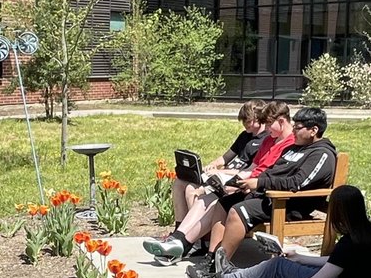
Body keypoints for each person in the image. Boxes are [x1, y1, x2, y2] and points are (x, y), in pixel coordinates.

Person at [186, 184, 371, 278]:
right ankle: (233, 273)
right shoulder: (369, 234)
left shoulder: (349, 244)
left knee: (278, 267)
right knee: (289, 264)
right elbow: (337, 263)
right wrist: (301, 258)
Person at [143, 101, 294, 264]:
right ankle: (178, 240)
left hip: (257, 189)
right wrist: (223, 174)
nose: (267, 128)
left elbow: (270, 175)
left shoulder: (286, 144)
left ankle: (183, 246)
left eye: (269, 124)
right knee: (203, 198)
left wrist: (231, 176)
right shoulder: (269, 141)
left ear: (281, 121)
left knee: (214, 201)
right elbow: (253, 167)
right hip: (243, 181)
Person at [202, 106, 337, 264]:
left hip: (289, 205)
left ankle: (218, 268)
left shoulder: (322, 154)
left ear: (314, 130)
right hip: (269, 196)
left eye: (298, 128)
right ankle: (211, 258)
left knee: (238, 211)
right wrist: (250, 183)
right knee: (224, 203)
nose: (293, 131)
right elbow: (274, 170)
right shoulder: (294, 149)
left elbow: (297, 183)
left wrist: (260, 182)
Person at [172, 100, 267, 225]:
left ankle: (197, 236)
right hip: (222, 175)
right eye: (243, 121)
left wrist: (219, 171)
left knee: (191, 190)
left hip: (233, 180)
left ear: (258, 118)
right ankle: (179, 229)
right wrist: (211, 166)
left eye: (248, 121)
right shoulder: (244, 136)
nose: (245, 124)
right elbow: (225, 158)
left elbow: (248, 171)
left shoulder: (265, 140)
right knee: (180, 182)